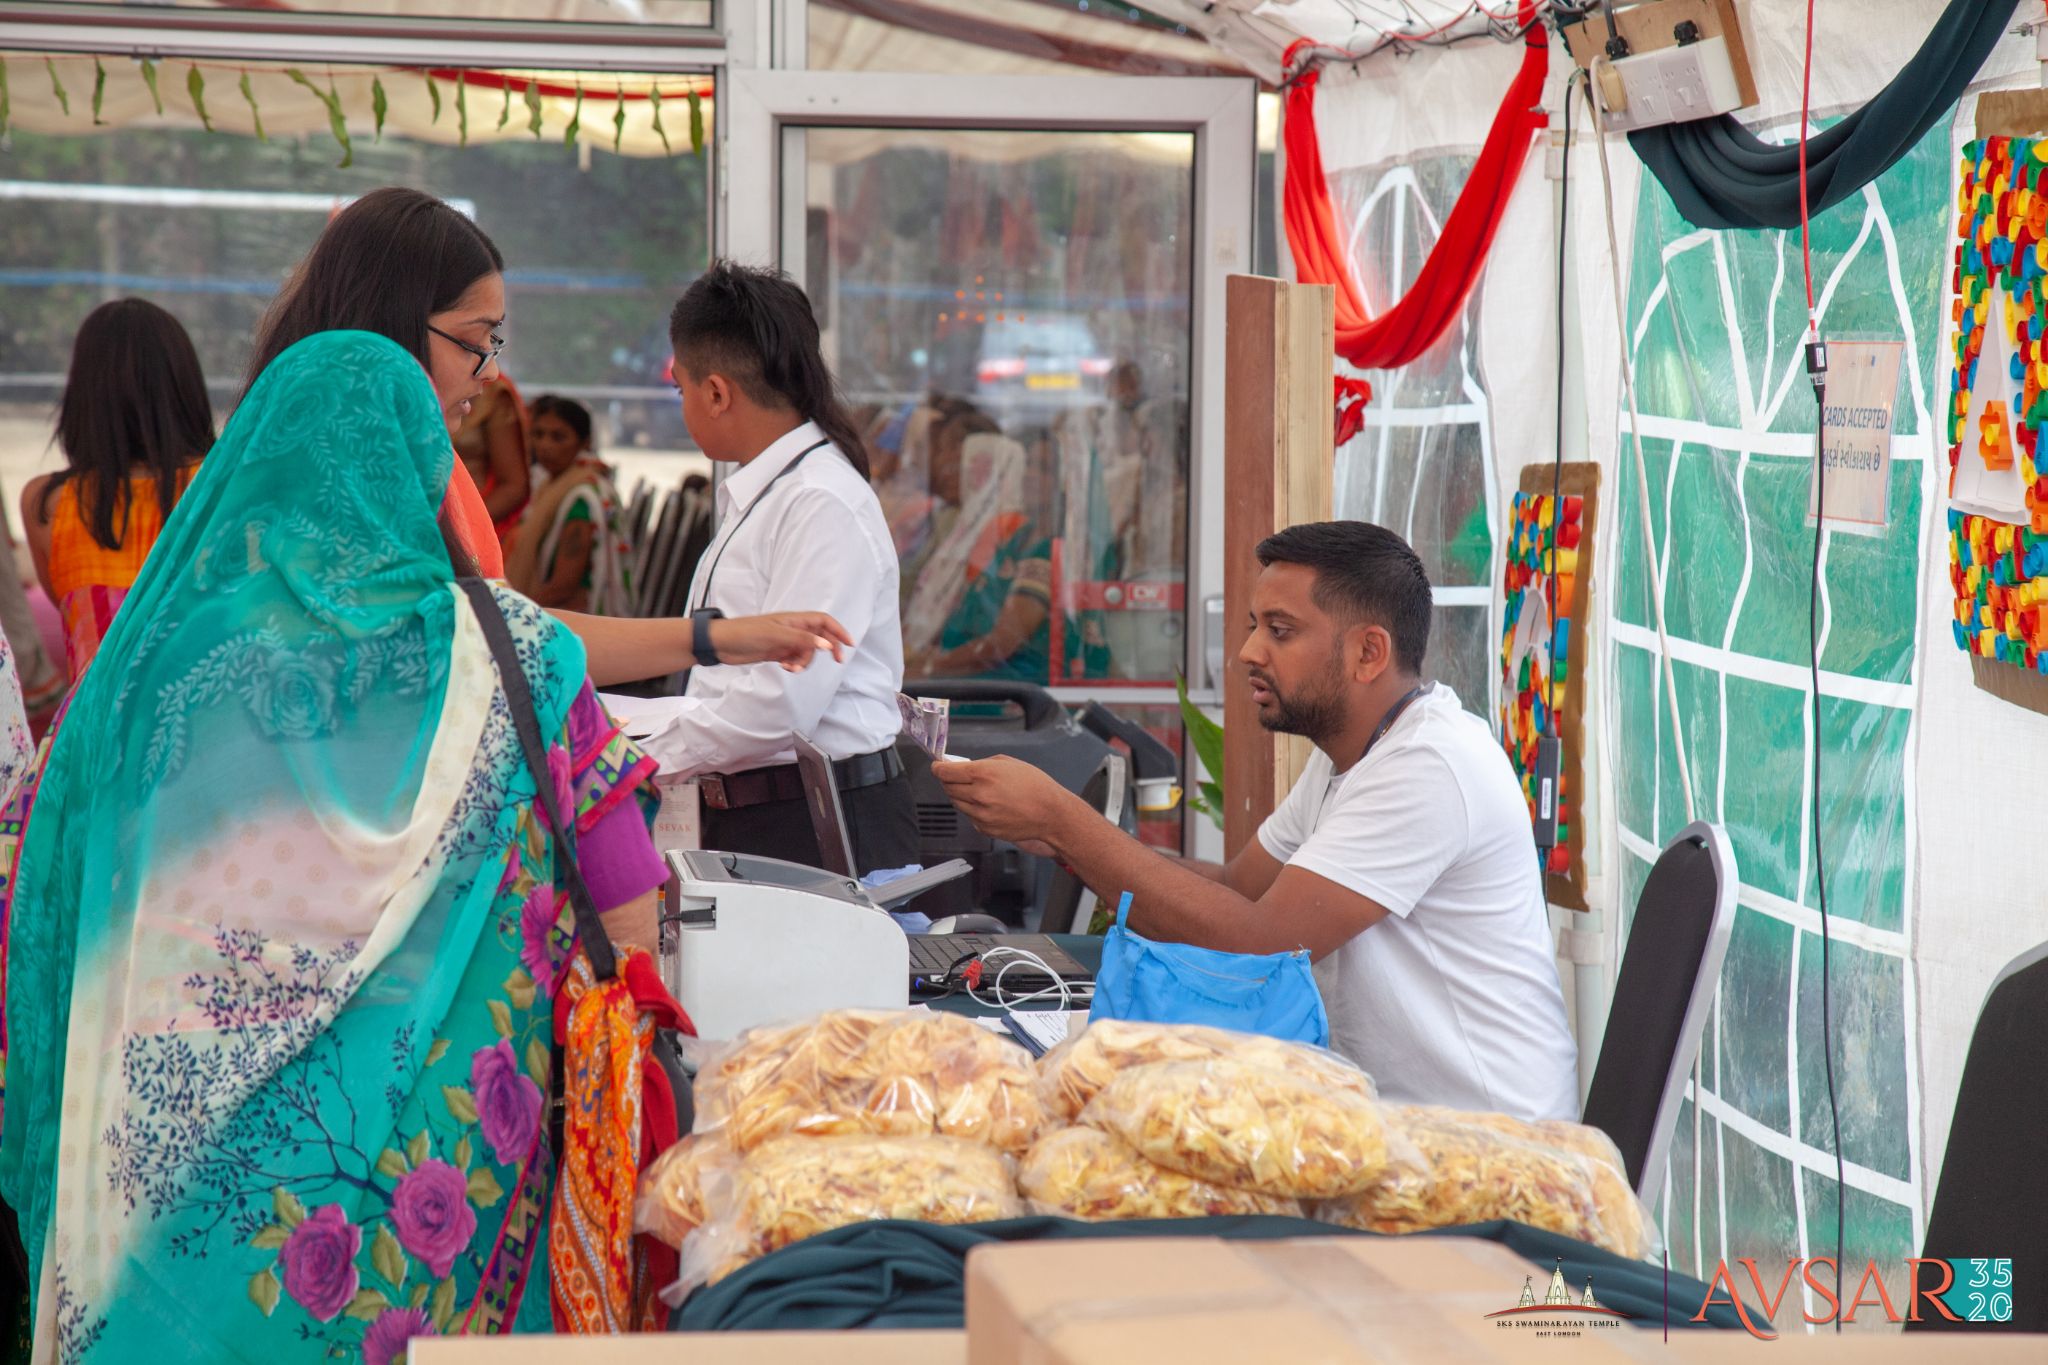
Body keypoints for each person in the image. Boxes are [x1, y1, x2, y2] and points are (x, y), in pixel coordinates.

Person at [0, 332, 676, 1356]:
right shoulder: (519, 654)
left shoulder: (176, 662)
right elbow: (624, 889)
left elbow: (78, 888)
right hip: (444, 1155)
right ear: (420, 468)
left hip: (201, 1165)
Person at [934, 520, 1579, 1121]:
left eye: (1280, 630)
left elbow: (1260, 946)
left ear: (1368, 653)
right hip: (1381, 1123)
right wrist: (1061, 841)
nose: (1247, 651)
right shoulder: (1355, 753)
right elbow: (1238, 890)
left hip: (1485, 1146)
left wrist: (1067, 820)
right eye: (1253, 626)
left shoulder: (1431, 765)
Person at [244, 187, 846, 684]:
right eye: (475, 340)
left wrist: (711, 638)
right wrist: (708, 638)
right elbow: (479, 644)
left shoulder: (399, 461)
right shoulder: (333, 477)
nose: (492, 370)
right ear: (391, 324)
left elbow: (498, 633)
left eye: (493, 341)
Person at [624, 261, 916, 875]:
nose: (683, 404)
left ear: (717, 392)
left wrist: (634, 756)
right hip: (767, 811)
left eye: (681, 389)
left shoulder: (817, 499)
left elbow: (780, 707)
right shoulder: (773, 490)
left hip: (817, 822)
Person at [21, 299, 215, 676]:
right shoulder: (224, 487)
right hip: (204, 728)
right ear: (184, 387)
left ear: (84, 396)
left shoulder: (48, 505)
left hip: (94, 732)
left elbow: (68, 611)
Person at [903, 426, 1054, 683]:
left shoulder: (1047, 550)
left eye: (1044, 469)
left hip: (1003, 693)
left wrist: (929, 668)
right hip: (967, 674)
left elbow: (1002, 643)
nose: (1030, 475)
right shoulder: (1020, 537)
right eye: (1028, 465)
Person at [506, 395, 634, 615]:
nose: (545, 445)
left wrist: (515, 613)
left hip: (575, 621)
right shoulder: (548, 485)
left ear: (584, 443)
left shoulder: (582, 499)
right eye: (538, 434)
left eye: (558, 437)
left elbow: (563, 586)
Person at [454, 374, 532, 546]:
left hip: (466, 526)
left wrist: (459, 530)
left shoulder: (492, 393)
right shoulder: (403, 375)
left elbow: (513, 486)